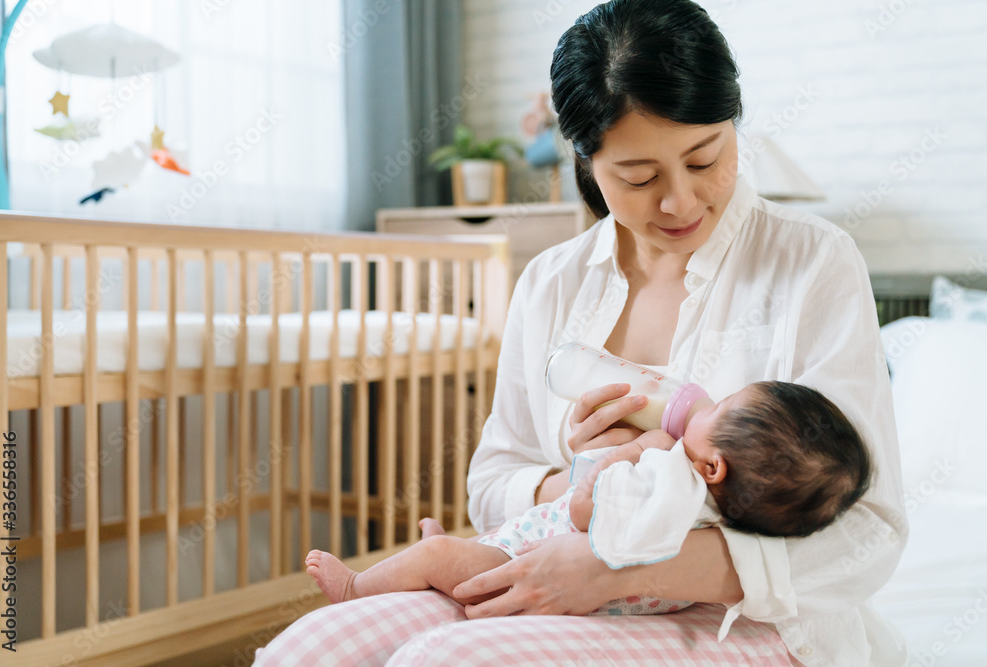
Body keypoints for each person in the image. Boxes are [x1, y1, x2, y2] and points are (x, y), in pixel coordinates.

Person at [255, 1, 907, 664]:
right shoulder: (550, 282)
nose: (679, 200)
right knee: (310, 649)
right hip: (547, 557)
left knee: (443, 659)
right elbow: (492, 482)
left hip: (744, 615)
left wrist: (627, 567)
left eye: (706, 158)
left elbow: (868, 533)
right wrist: (584, 476)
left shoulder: (813, 262)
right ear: (587, 162)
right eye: (640, 177)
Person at [304, 381, 872, 614]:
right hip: (519, 545)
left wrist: (624, 455)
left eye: (718, 410)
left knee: (441, 558)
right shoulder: (715, 513)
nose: (707, 403)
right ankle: (440, 557)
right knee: (459, 546)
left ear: (713, 465)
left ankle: (358, 587)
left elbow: (582, 513)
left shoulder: (669, 484)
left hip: (520, 565)